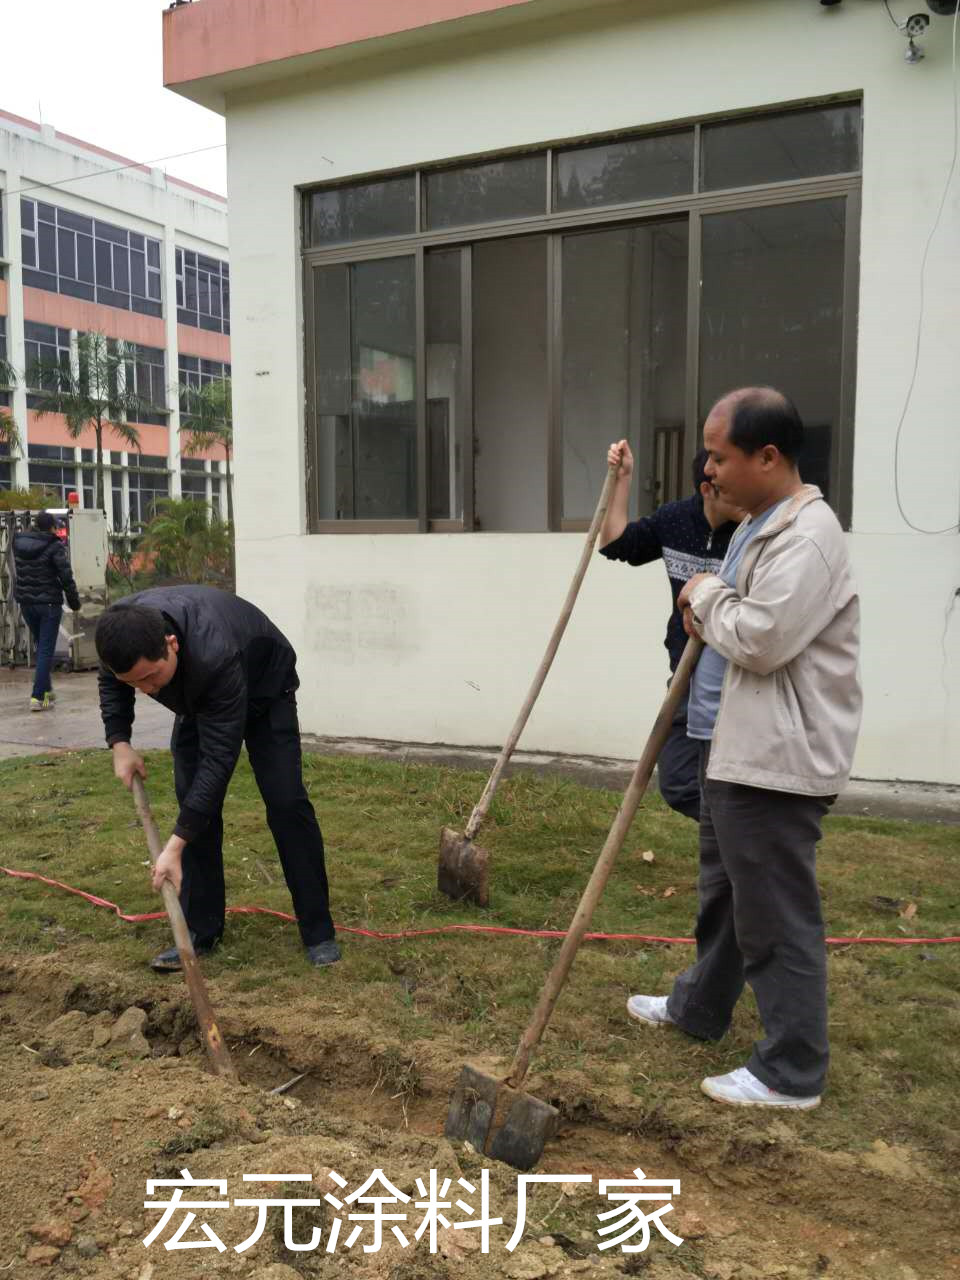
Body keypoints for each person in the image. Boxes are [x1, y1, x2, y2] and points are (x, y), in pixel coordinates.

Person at [626, 387, 861, 1110]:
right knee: (726, 896)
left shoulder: (808, 538)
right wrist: (709, 597)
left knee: (774, 914)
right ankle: (699, 1007)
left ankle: (791, 1071)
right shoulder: (763, 524)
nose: (710, 469)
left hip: (778, 759)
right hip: (737, 747)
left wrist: (701, 595)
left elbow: (759, 638)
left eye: (721, 456)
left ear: (767, 456)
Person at [95, 585, 340, 972]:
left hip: (265, 693)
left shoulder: (215, 653)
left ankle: (318, 931)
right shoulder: (120, 634)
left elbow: (218, 763)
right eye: (136, 683)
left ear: (171, 644)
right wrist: (119, 742)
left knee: (286, 802)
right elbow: (113, 680)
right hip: (198, 699)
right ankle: (201, 930)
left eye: (151, 677)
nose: (147, 689)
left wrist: (173, 847)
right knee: (193, 812)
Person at [598, 444, 743, 821]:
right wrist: (624, 477)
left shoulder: (754, 533)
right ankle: (739, 834)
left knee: (732, 780)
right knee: (679, 782)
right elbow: (615, 542)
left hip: (740, 681)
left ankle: (740, 848)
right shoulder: (676, 519)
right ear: (707, 488)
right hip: (685, 674)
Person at [13, 510, 81, 711]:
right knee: (45, 650)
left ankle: (46, 691)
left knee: (41, 645)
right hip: (49, 605)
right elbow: (66, 576)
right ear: (50, 527)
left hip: (26, 603)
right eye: (55, 527)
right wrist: (74, 602)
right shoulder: (53, 546)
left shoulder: (19, 543)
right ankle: (37, 696)